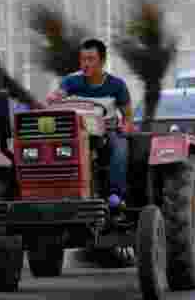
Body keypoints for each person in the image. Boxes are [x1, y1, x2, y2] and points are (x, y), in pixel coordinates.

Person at [45, 39, 135, 208]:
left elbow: (127, 118)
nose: (85, 64)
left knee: (121, 147)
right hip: (77, 132)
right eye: (83, 59)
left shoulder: (117, 85)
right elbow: (59, 94)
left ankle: (115, 195)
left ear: (102, 61)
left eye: (90, 59)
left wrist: (125, 126)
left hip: (107, 131)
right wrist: (53, 97)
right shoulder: (72, 81)